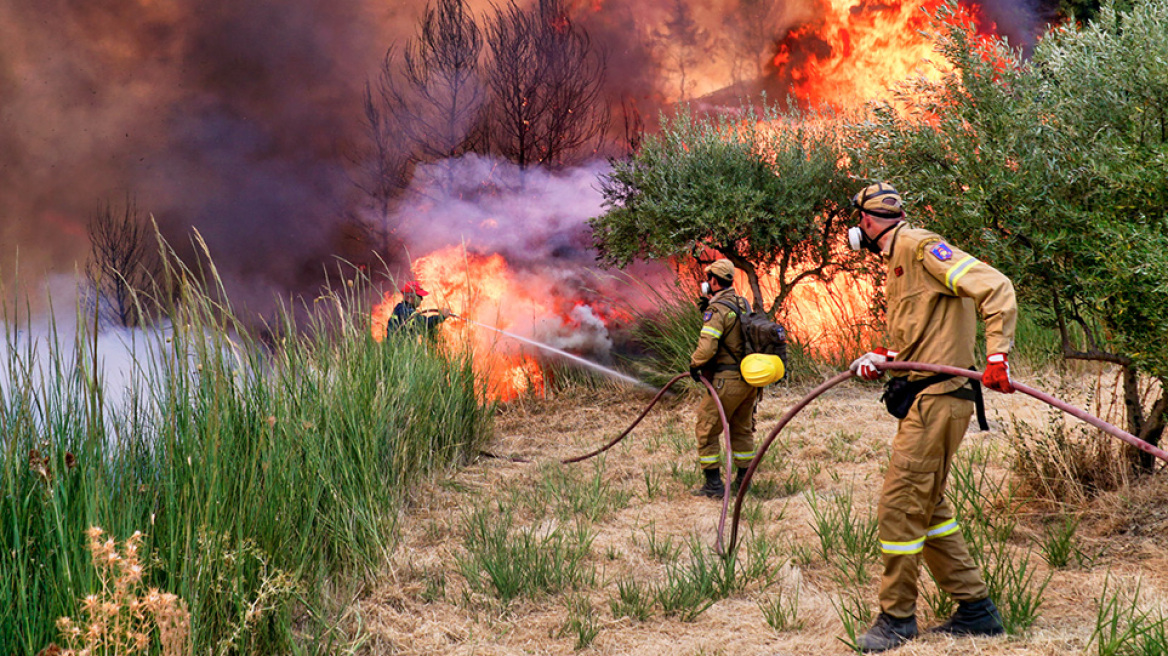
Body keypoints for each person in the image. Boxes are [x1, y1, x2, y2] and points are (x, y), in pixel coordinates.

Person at [844, 182, 1017, 652]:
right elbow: (921, 335)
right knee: (929, 505)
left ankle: (896, 619)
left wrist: (997, 356)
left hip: (940, 397)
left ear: (865, 221)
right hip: (926, 394)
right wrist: (884, 358)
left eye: (858, 221)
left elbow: (996, 286)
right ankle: (976, 611)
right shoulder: (899, 260)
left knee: (900, 506)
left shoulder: (920, 247)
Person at [688, 259, 758, 498]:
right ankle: (744, 483)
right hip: (748, 379)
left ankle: (713, 485)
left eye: (709, 279)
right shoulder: (742, 303)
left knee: (706, 429)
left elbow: (707, 347)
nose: (707, 282)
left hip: (726, 381)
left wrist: (695, 364)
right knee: (742, 429)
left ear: (715, 281)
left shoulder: (717, 310)